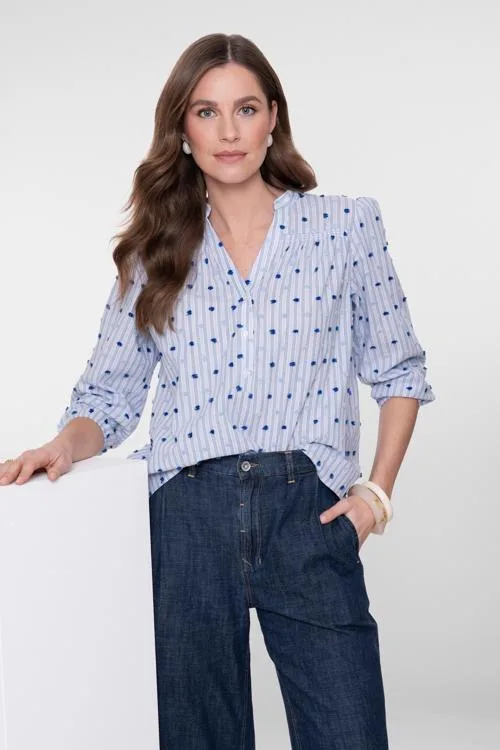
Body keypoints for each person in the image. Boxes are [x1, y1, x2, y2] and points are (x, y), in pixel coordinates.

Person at [0, 32, 435, 750]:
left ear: (273, 119)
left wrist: (375, 498)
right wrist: (62, 447)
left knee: (349, 732)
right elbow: (108, 398)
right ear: (183, 128)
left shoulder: (345, 226)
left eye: (246, 109)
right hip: (186, 516)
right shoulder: (155, 250)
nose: (228, 131)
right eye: (207, 112)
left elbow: (400, 372)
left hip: (308, 508)